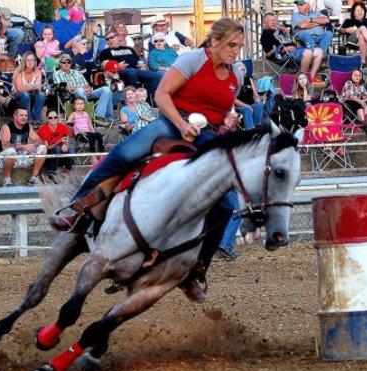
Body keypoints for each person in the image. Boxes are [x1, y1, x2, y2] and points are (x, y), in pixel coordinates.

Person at [48, 17, 245, 303]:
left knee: (227, 202)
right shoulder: (192, 60)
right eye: (231, 45)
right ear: (215, 41)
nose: (235, 51)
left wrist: (226, 119)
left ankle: (197, 270)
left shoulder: (235, 76)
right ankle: (77, 208)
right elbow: (162, 95)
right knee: (123, 154)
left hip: (206, 135)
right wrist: (180, 123)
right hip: (171, 122)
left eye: (239, 46)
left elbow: (219, 111)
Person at [260, 13, 324, 83]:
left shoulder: (277, 30)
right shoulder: (265, 35)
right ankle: (301, 78)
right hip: (284, 56)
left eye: (275, 20)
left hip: (295, 50)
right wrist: (285, 49)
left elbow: (290, 39)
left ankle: (310, 79)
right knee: (308, 53)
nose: (274, 22)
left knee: (319, 51)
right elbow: (269, 53)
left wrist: (285, 32)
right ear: (265, 23)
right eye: (271, 20)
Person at [53, 53, 114, 126]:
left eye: (68, 62)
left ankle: (99, 116)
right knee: (79, 90)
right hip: (72, 97)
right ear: (60, 64)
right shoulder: (57, 74)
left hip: (85, 94)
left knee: (107, 90)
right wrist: (74, 88)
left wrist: (88, 88)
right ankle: (89, 114)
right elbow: (60, 86)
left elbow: (86, 85)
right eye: (64, 62)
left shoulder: (77, 73)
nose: (66, 64)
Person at [98, 28, 163, 96]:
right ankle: (132, 98)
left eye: (111, 37)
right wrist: (118, 66)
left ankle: (141, 96)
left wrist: (142, 65)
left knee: (158, 76)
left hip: (137, 71)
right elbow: (104, 65)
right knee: (131, 72)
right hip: (120, 73)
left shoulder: (129, 49)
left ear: (118, 37)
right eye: (107, 39)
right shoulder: (105, 52)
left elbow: (139, 61)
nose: (109, 40)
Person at [0, 108, 47, 187]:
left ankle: (33, 179)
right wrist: (23, 146)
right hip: (3, 160)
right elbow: (5, 147)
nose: (24, 117)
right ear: (15, 116)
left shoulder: (27, 126)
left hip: (21, 158)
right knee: (11, 151)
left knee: (42, 148)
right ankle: (6, 180)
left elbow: (39, 141)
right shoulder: (7, 127)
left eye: (26, 116)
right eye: (21, 115)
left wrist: (32, 146)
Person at [38, 109, 74, 179]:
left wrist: (65, 146)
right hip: (49, 156)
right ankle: (51, 171)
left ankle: (67, 169)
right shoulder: (42, 129)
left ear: (57, 118)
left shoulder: (63, 127)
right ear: (46, 118)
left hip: (61, 155)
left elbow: (67, 140)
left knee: (71, 149)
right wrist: (59, 142)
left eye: (55, 117)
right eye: (50, 118)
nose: (53, 119)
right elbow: (47, 147)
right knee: (56, 148)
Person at [340, 68, 367, 135]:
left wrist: (363, 101)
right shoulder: (349, 83)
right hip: (347, 102)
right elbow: (350, 96)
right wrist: (361, 101)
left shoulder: (361, 86)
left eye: (359, 75)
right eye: (355, 75)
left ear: (361, 77)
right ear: (351, 76)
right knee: (358, 104)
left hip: (357, 103)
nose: (357, 77)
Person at [340, 2, 367, 67]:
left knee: (362, 36)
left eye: (362, 10)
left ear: (364, 11)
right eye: (357, 10)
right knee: (362, 28)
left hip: (365, 40)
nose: (360, 12)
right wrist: (347, 30)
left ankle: (363, 61)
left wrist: (364, 31)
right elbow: (341, 30)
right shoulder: (349, 21)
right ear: (353, 12)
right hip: (353, 40)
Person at [12, 52, 45, 125]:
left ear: (35, 62)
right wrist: (33, 86)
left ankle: (37, 117)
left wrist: (28, 87)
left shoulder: (38, 72)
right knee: (25, 95)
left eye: (32, 60)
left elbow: (39, 88)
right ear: (24, 61)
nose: (30, 62)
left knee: (41, 95)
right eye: (28, 60)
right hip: (18, 95)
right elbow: (20, 89)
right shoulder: (18, 71)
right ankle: (28, 117)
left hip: (32, 93)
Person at [234, 61, 263, 130]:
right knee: (247, 109)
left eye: (243, 69)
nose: (242, 71)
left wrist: (257, 98)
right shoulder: (233, 82)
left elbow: (255, 94)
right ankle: (250, 130)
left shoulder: (248, 79)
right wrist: (245, 105)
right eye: (240, 69)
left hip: (250, 103)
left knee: (259, 105)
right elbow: (233, 99)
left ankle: (258, 127)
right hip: (240, 106)